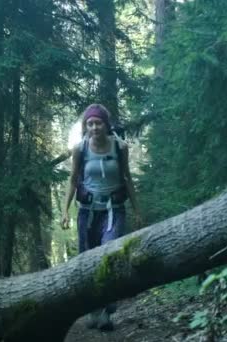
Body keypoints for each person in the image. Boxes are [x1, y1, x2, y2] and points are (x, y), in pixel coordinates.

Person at [61, 103, 141, 331]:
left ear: (106, 125)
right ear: (86, 126)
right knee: (88, 260)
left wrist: (137, 210)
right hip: (87, 213)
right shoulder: (80, 149)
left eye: (98, 123)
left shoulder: (120, 147)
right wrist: (65, 210)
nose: (94, 127)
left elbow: (127, 178)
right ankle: (95, 309)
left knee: (109, 254)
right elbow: (73, 179)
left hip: (114, 210)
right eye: (90, 123)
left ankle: (105, 311)